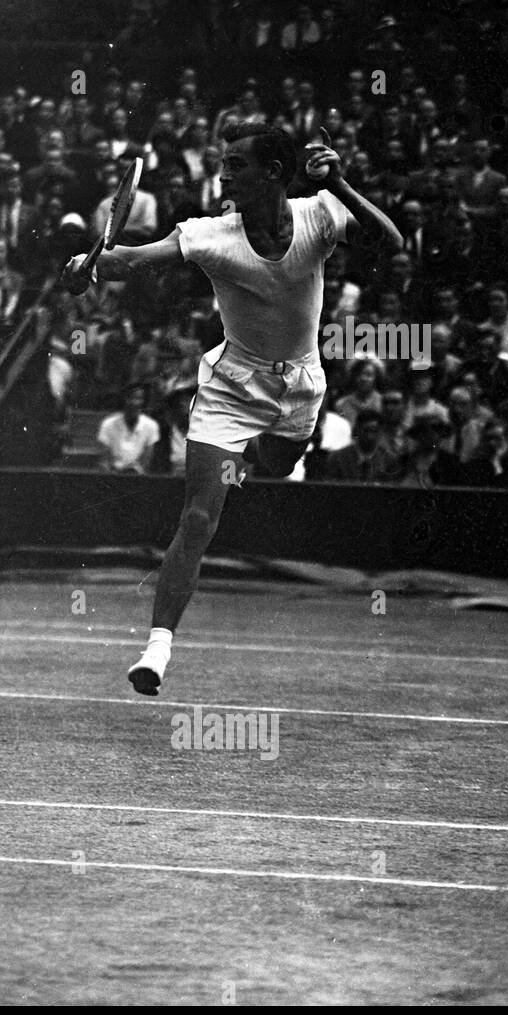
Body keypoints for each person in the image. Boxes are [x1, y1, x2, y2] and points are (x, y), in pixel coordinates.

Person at [62, 122, 400, 695]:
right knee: (198, 518)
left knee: (274, 465)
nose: (222, 175)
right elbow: (137, 258)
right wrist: (88, 264)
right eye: (222, 163)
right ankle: (157, 650)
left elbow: (389, 243)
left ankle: (243, 464)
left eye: (236, 165)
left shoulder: (320, 213)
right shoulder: (210, 233)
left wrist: (340, 182)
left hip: (302, 385)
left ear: (272, 173)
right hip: (230, 388)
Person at [96, 384, 160, 473]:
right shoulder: (108, 424)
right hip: (113, 476)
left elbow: (147, 461)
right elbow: (104, 459)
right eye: (130, 398)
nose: (134, 403)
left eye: (138, 398)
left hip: (139, 479)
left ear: (143, 401)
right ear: (123, 400)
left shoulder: (151, 426)